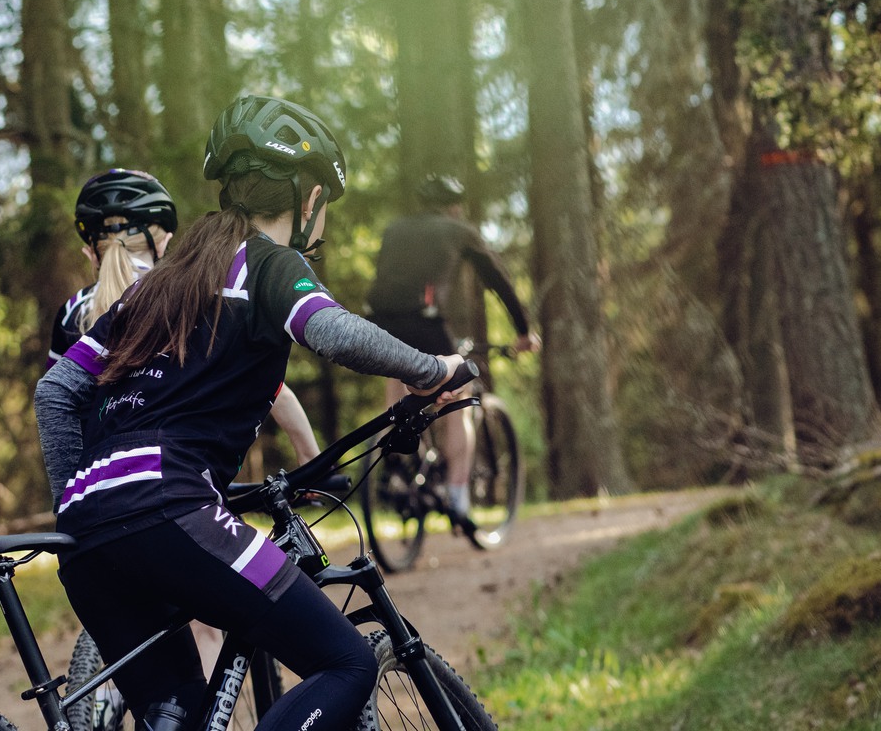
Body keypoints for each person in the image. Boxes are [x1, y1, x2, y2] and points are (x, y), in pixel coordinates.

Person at [35, 96, 465, 731]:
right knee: (346, 662)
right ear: (309, 195)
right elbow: (333, 333)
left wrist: (78, 501)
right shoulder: (266, 261)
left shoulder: (162, 277)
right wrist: (433, 370)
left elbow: (55, 393)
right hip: (171, 505)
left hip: (87, 537)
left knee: (173, 713)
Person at [55, 167, 323, 678]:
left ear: (90, 246)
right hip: (168, 486)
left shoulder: (72, 313)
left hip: (95, 503)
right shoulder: (171, 288)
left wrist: (68, 492)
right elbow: (266, 389)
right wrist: (309, 456)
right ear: (163, 237)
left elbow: (59, 397)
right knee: (210, 611)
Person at [366, 174, 539, 524]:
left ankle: (394, 469)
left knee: (396, 383)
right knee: (458, 396)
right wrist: (523, 331)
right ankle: (458, 497)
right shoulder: (458, 229)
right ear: (454, 206)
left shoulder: (395, 229)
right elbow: (498, 280)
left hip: (378, 318)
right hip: (424, 319)